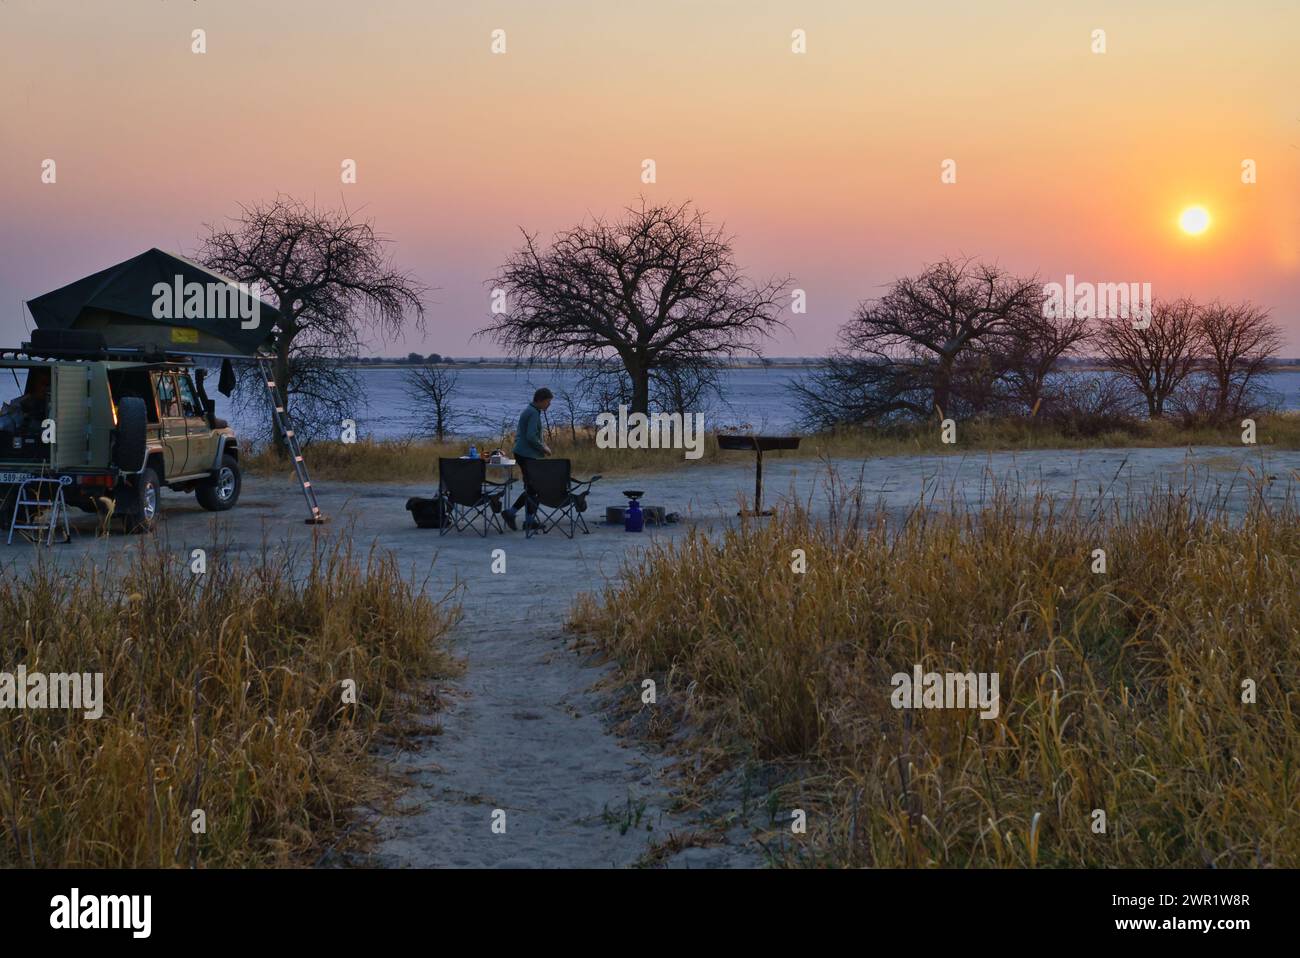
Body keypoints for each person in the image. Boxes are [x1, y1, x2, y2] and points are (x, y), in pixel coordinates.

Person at [501, 387, 553, 530]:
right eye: (548, 402)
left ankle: (526, 519)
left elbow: (531, 435)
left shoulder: (531, 411)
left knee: (532, 488)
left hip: (524, 453)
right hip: (526, 455)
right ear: (541, 400)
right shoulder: (533, 413)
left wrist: (542, 444)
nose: (549, 405)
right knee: (533, 487)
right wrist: (543, 448)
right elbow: (530, 437)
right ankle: (513, 514)